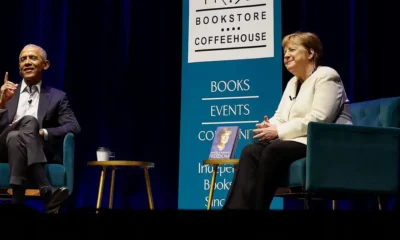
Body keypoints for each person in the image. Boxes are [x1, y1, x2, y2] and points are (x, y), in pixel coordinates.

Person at [223, 31, 352, 210]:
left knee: (274, 149)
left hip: (323, 142)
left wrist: (278, 131)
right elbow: (281, 116)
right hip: (296, 140)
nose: (286, 55)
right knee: (250, 151)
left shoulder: (327, 76)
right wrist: (269, 126)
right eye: (284, 51)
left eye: (292, 49)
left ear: (310, 53)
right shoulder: (293, 82)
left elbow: (319, 119)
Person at [0, 44, 81, 213]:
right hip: (2, 147)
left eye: (33, 58)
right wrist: (1, 103)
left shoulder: (57, 97)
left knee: (16, 138)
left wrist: (44, 133)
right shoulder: (6, 92)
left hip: (29, 147)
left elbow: (74, 126)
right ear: (19, 67)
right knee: (28, 121)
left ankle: (17, 205)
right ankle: (46, 188)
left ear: (46, 64)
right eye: (23, 59)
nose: (27, 62)